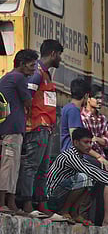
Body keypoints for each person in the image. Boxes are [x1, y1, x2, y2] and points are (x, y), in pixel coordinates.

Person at [44, 127, 108, 225]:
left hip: (60, 194)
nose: (89, 146)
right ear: (76, 143)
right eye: (86, 142)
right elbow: (90, 171)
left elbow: (95, 171)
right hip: (51, 196)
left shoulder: (80, 157)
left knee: (91, 178)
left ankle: (75, 213)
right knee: (85, 178)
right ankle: (64, 211)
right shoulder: (70, 156)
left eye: (90, 142)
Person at [19, 38, 63, 216]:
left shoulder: (45, 74)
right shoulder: (37, 73)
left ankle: (41, 204)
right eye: (59, 55)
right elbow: (26, 97)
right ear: (53, 54)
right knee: (32, 166)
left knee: (43, 168)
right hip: (37, 127)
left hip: (45, 128)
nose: (60, 59)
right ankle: (28, 204)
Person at [0, 49, 37, 212]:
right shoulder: (19, 78)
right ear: (21, 64)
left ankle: (10, 202)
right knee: (9, 165)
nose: (34, 69)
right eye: (31, 65)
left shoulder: (7, 77)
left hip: (8, 127)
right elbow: (28, 102)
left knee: (11, 165)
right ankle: (4, 203)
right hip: (13, 128)